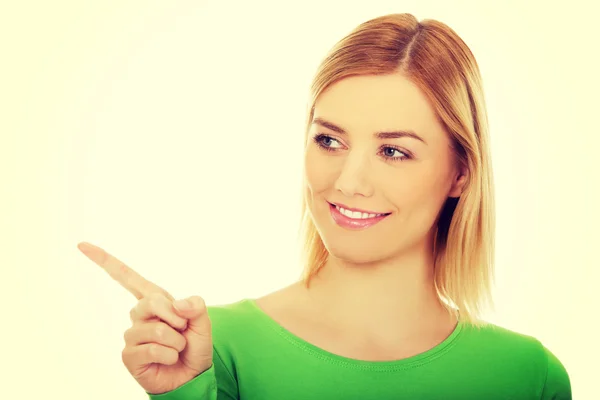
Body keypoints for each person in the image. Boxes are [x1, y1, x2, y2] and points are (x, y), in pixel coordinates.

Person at [78, 12, 572, 400]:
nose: (348, 181)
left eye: (393, 151)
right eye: (330, 142)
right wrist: (183, 396)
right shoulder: (212, 353)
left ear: (461, 173)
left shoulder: (529, 377)